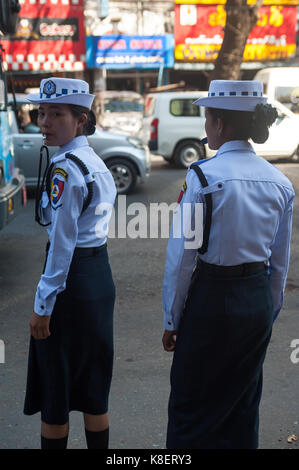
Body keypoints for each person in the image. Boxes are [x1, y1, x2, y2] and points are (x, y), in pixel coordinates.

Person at [162, 80, 295, 449]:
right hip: (255, 302)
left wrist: (172, 319)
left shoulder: (202, 176)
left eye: (207, 118)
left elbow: (182, 257)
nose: (206, 126)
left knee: (190, 406)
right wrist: (266, 314)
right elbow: (279, 265)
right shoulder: (280, 183)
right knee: (242, 405)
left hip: (211, 300)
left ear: (219, 124)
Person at [23, 77, 117, 449]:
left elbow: (62, 246)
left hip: (71, 282)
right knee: (93, 384)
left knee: (56, 388)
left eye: (56, 114)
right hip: (97, 277)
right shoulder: (91, 160)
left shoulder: (67, 169)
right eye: (41, 113)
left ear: (81, 119)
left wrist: (42, 307)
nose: (44, 122)